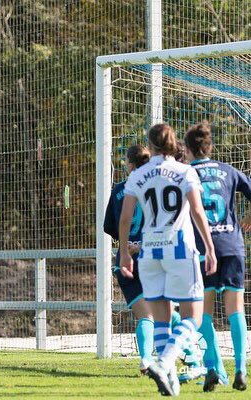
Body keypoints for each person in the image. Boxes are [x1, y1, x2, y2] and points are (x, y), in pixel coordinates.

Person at [119, 123, 217, 396]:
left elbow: (125, 218)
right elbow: (197, 211)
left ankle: (170, 382)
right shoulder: (185, 171)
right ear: (174, 143)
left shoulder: (138, 175)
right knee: (192, 318)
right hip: (179, 249)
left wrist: (125, 251)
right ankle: (164, 363)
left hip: (149, 253)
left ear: (150, 146)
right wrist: (209, 247)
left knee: (161, 319)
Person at [184, 122, 251, 392]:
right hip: (232, 245)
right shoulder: (228, 170)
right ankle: (241, 368)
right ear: (210, 147)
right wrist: (249, 216)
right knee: (236, 308)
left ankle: (212, 367)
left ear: (188, 149)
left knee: (204, 312)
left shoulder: (186, 173)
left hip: (204, 247)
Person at [104, 145, 154, 373]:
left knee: (147, 315)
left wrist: (128, 244)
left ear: (130, 164)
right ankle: (187, 351)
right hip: (155, 255)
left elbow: (110, 227)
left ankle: (147, 358)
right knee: (162, 311)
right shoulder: (157, 186)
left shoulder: (118, 190)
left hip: (126, 258)